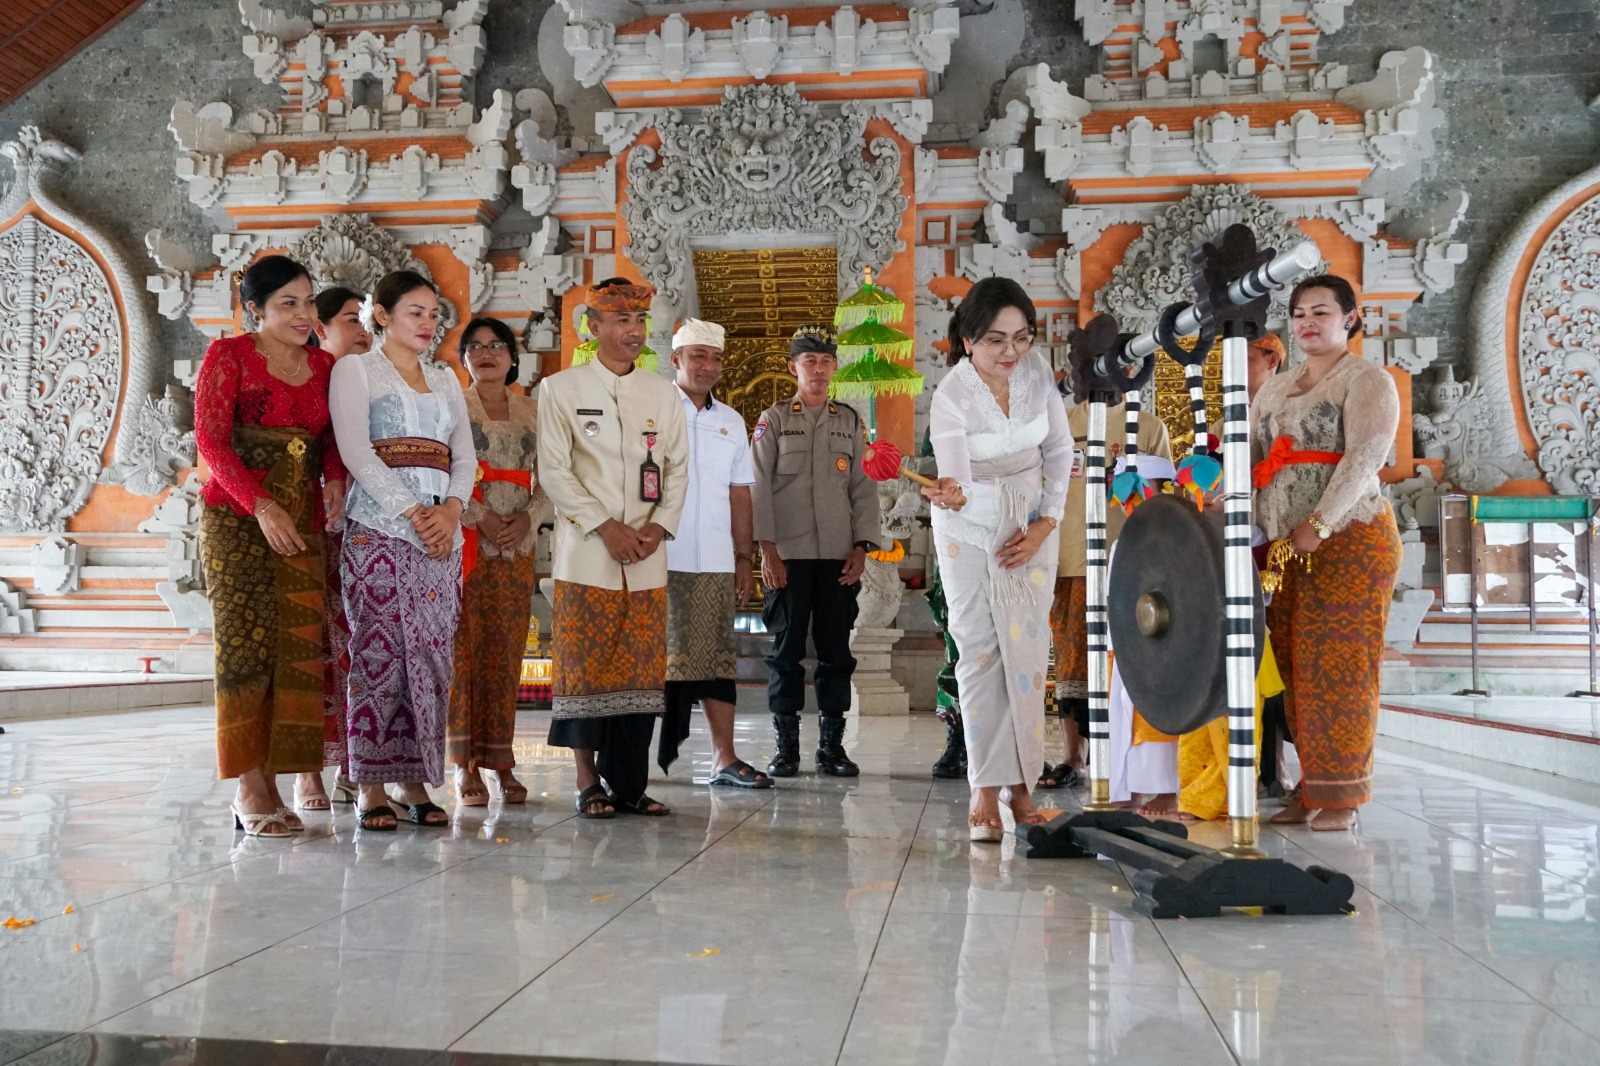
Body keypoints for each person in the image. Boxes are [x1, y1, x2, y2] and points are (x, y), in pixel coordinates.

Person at [194, 254, 344, 837]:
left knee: (298, 645)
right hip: (238, 519)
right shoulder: (226, 357)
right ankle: (249, 784)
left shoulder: (325, 366)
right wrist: (261, 504)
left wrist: (332, 482)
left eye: (309, 302)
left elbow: (330, 438)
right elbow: (210, 440)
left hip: (303, 518)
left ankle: (289, 774)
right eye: (289, 303)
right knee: (244, 644)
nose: (305, 314)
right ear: (255, 308)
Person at [920, 278, 1073, 842]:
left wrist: (1043, 524)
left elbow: (1059, 450)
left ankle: (1022, 783)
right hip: (967, 527)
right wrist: (951, 492)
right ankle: (985, 786)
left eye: (1021, 337)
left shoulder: (1037, 374)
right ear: (966, 341)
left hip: (1034, 526)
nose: (1011, 352)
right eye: (994, 340)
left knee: (1028, 651)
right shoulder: (951, 396)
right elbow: (955, 476)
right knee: (981, 653)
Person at [1252, 275, 1400, 832]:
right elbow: (1256, 455)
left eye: (1320, 311)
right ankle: (1311, 787)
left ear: (1350, 319)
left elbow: (1365, 457)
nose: (1306, 322)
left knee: (1338, 668)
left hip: (1348, 541)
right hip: (1284, 547)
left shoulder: (1367, 380)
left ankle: (1341, 797)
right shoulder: (1275, 386)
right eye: (1297, 313)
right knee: (1294, 666)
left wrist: (1318, 522)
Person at [330, 270, 475, 830]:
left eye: (434, 314)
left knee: (432, 658)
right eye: (415, 311)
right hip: (380, 532)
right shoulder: (357, 370)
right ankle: (369, 783)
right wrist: (414, 512)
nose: (427, 323)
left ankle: (414, 780)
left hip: (441, 540)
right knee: (380, 653)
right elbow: (356, 452)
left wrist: (451, 512)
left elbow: (463, 456)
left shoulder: (445, 381)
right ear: (382, 315)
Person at [538, 278, 688, 818]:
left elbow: (677, 470)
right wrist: (605, 526)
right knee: (585, 667)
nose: (632, 330)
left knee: (641, 672)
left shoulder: (662, 391)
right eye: (620, 320)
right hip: (587, 554)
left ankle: (629, 784)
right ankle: (586, 781)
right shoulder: (561, 390)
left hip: (647, 558)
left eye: (639, 321)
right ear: (594, 327)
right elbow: (554, 472)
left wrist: (658, 528)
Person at [750, 324, 879, 778]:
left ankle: (832, 748)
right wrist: (767, 550)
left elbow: (864, 490)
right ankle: (786, 749)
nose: (819, 370)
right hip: (788, 555)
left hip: (838, 558)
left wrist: (862, 546)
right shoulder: (776, 418)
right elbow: (757, 486)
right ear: (793, 368)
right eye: (810, 362)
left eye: (826, 362)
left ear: (834, 367)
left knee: (836, 654)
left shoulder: (850, 421)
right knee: (785, 653)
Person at [656, 319, 771, 788]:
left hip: (716, 561)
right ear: (676, 360)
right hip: (658, 555)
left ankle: (724, 757)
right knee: (657, 661)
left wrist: (744, 559)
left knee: (719, 659)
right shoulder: (655, 411)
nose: (708, 366)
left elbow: (740, 492)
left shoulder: (730, 420)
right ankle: (629, 765)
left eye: (715, 358)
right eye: (698, 356)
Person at [1050, 380, 1172, 794]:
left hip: (1128, 562)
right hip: (1069, 558)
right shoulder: (1060, 424)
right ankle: (1074, 756)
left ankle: (1131, 760)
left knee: (1128, 663)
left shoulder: (1147, 426)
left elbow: (1165, 494)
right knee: (1071, 660)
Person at [447, 317, 542, 806]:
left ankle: (501, 762)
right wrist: (478, 516)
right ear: (463, 357)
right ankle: (464, 767)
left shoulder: (534, 410)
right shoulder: (450, 405)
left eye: (497, 346)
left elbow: (552, 479)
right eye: (476, 346)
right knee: (463, 653)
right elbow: (440, 472)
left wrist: (530, 518)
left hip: (519, 548)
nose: (487, 353)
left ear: (511, 357)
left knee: (506, 655)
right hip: (463, 545)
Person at [295, 285, 372, 813]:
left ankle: (356, 763)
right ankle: (307, 773)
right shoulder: (309, 378)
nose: (364, 330)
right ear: (319, 328)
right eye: (351, 320)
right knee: (312, 646)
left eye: (368, 320)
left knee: (359, 646)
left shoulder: (381, 378)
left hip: (370, 531)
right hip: (312, 524)